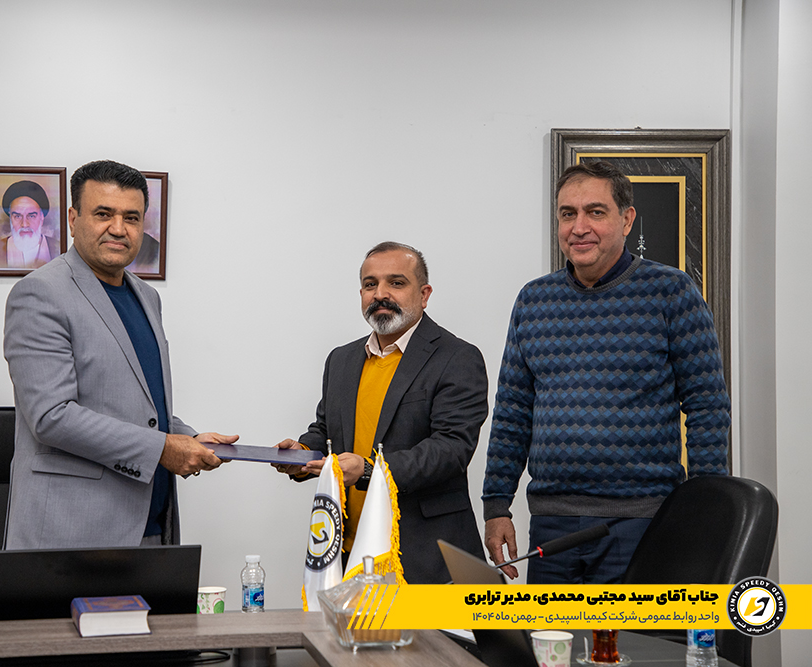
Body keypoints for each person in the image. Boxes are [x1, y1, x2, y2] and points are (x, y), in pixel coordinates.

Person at [482, 161, 730, 584]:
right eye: (567, 214)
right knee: (550, 631)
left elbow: (707, 406)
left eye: (595, 212)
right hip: (552, 524)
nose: (579, 227)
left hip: (641, 521)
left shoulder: (671, 292)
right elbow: (513, 410)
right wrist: (496, 505)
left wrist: (704, 508)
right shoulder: (533, 301)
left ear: (626, 219)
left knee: (631, 631)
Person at [3, 159, 236, 550]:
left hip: (150, 526)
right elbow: (51, 416)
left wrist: (189, 438)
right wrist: (164, 449)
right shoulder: (40, 293)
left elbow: (140, 407)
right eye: (103, 214)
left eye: (131, 217)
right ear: (73, 219)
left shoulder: (147, 296)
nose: (118, 228)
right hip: (72, 535)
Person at [275, 242, 489, 584]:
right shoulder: (341, 360)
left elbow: (451, 449)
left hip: (426, 556)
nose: (380, 294)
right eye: (370, 284)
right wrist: (301, 453)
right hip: (350, 554)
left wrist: (370, 470)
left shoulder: (457, 357)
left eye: (396, 283)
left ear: (424, 294)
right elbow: (327, 430)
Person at [0, 180, 60, 269]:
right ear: (10, 218)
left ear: (41, 217)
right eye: (17, 216)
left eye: (31, 216)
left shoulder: (57, 247)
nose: (24, 224)